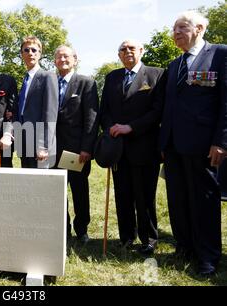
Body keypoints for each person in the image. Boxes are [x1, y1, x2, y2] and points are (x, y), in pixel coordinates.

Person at [159, 11, 227, 276]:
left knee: (204, 201)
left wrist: (221, 141)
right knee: (177, 199)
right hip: (174, 145)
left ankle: (208, 257)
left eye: (181, 27)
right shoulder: (175, 64)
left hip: (203, 145)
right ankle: (184, 247)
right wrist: (164, 142)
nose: (175, 33)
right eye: (173, 28)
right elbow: (169, 106)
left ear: (199, 28)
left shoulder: (220, 54)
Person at [99, 39, 165, 255]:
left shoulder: (156, 75)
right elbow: (105, 110)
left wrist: (131, 127)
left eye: (131, 48)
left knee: (145, 197)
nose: (127, 52)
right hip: (118, 149)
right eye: (122, 49)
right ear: (118, 55)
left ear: (141, 51)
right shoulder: (112, 77)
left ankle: (149, 240)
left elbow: (157, 111)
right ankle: (126, 237)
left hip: (144, 147)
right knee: (123, 195)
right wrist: (111, 128)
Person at [53, 45, 99, 243]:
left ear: (75, 59)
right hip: (53, 149)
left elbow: (92, 117)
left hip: (76, 150)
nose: (62, 60)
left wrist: (86, 147)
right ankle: (63, 228)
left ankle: (82, 229)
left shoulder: (86, 83)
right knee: (57, 191)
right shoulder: (50, 82)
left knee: (79, 190)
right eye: (58, 57)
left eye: (66, 56)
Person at [14, 36, 58, 169]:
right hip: (24, 143)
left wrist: (43, 146)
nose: (30, 53)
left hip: (40, 147)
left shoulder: (47, 77)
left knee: (41, 187)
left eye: (34, 50)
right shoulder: (26, 79)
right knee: (27, 186)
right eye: (26, 50)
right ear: (22, 54)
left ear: (40, 53)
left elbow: (50, 114)